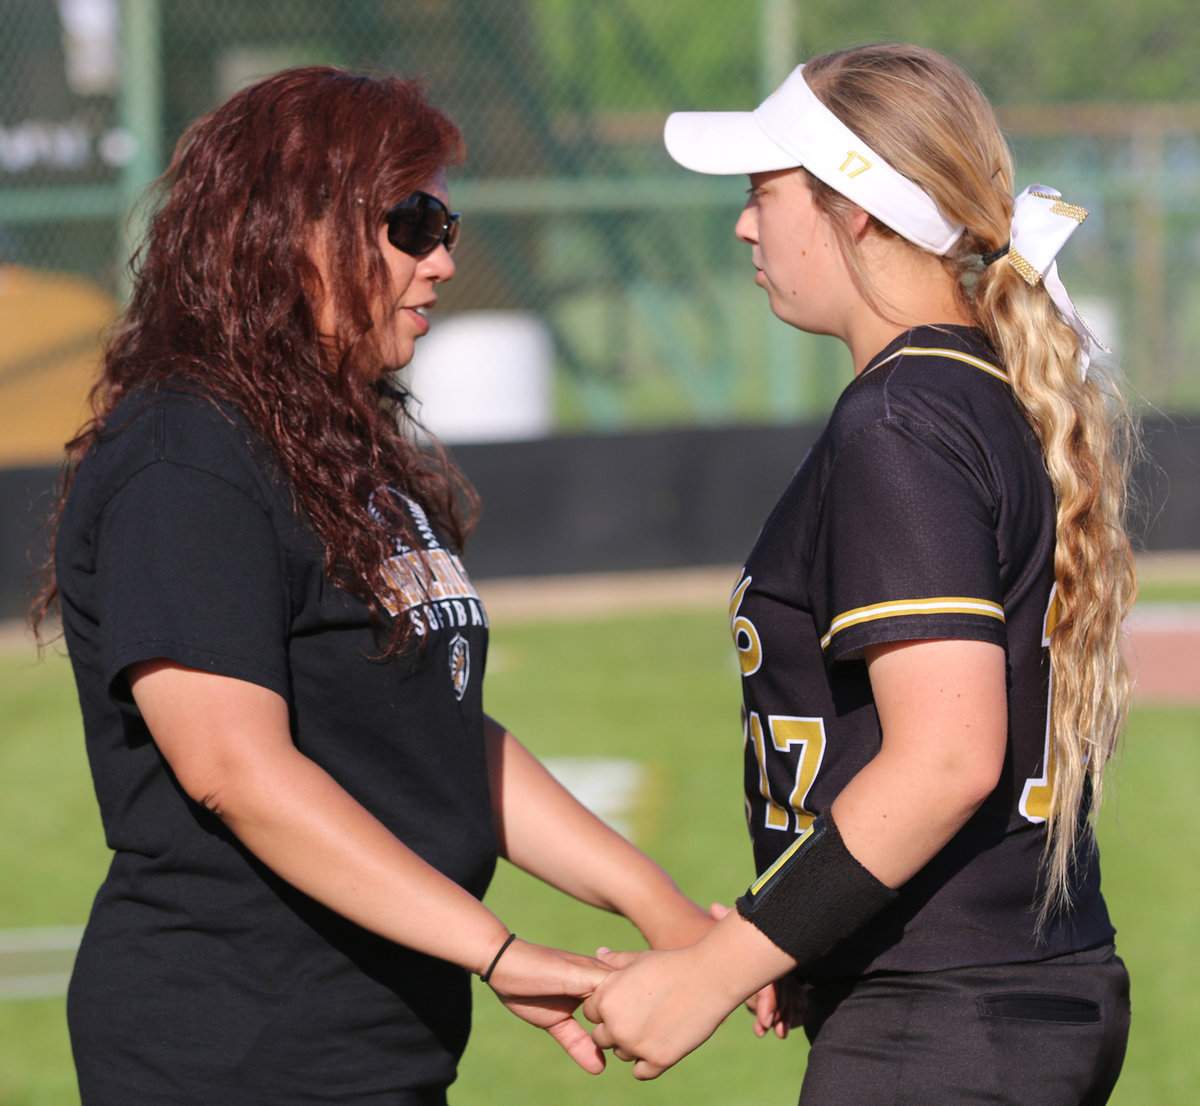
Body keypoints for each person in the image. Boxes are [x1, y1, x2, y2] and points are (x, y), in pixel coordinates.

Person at [30, 66, 714, 1104]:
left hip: (372, 1045)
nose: (445, 257)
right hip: (229, 1052)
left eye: (445, 222)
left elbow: (435, 726)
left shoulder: (338, 447)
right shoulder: (186, 453)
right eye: (415, 221)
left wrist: (654, 902)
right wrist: (496, 948)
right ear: (292, 230)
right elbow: (231, 766)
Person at [584, 43, 1135, 1105]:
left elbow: (944, 759)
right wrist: (794, 926)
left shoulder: (900, 419)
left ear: (861, 209)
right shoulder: (974, 389)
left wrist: (717, 966)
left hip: (943, 1016)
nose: (745, 224)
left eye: (763, 192)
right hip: (1003, 989)